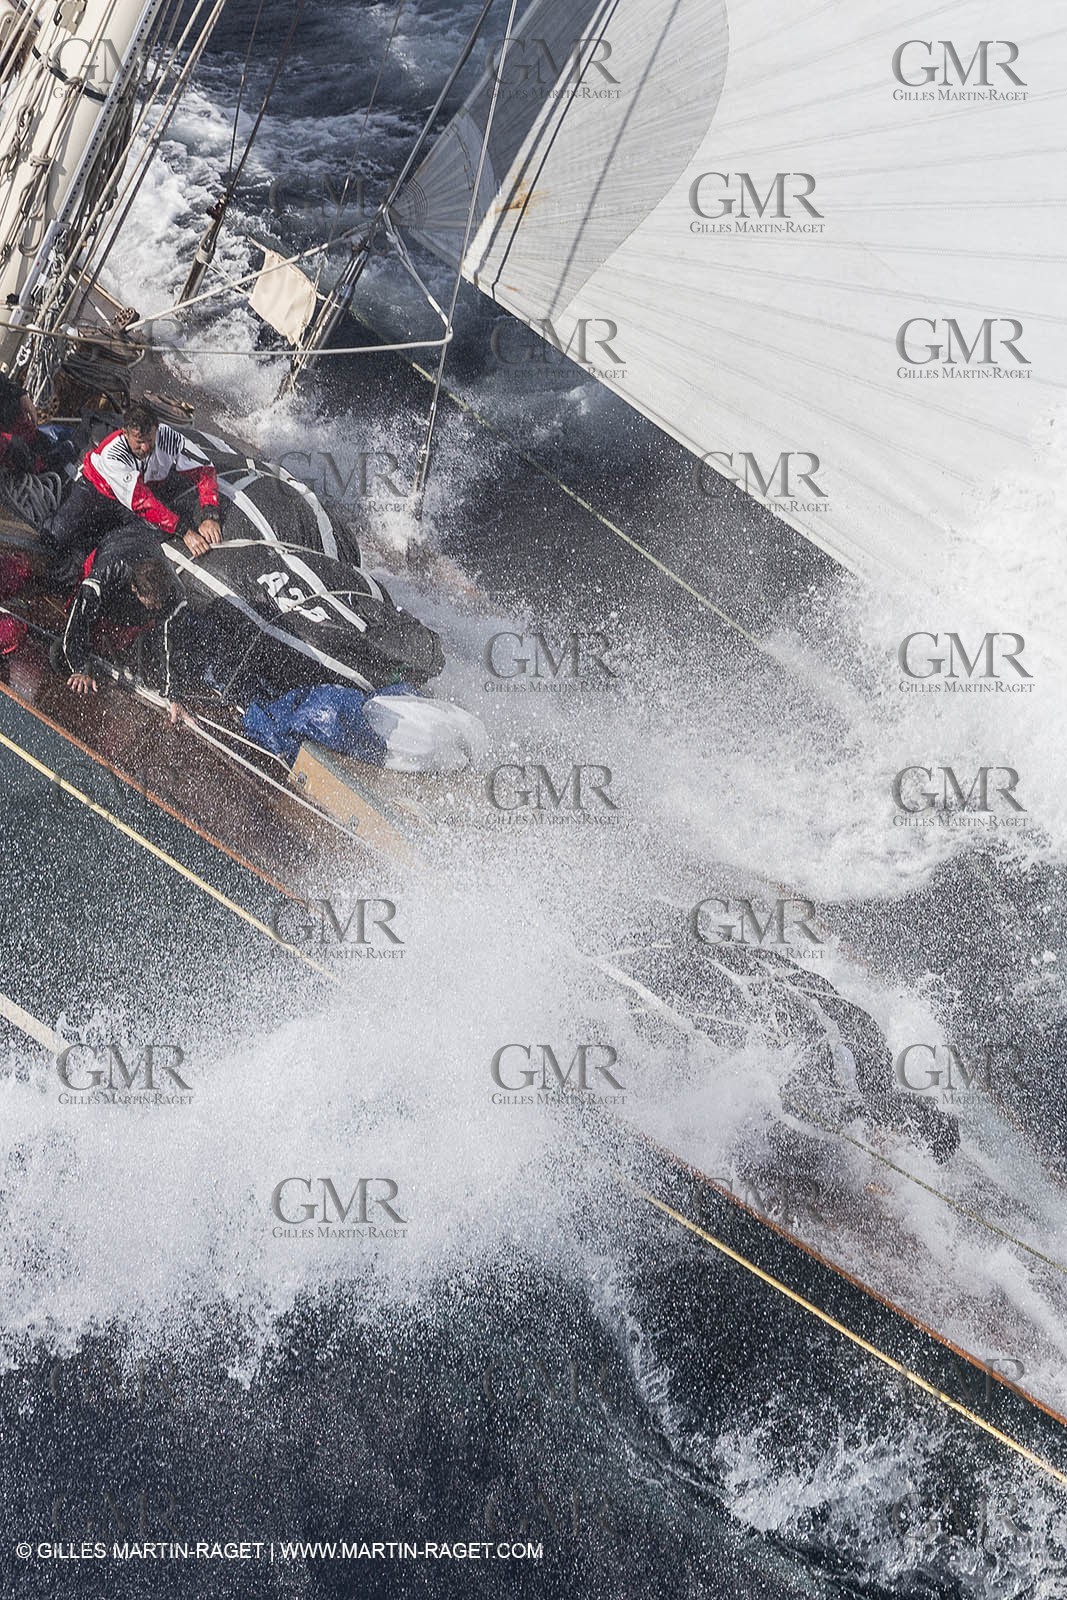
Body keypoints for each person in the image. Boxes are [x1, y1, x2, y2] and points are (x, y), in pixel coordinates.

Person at [41, 398, 222, 582]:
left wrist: (210, 513)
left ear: (157, 429)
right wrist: (185, 531)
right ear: (125, 434)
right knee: (58, 533)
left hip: (137, 495)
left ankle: (96, 558)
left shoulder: (168, 437)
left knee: (153, 530)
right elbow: (142, 502)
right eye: (139, 442)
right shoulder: (114, 454)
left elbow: (204, 468)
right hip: (97, 492)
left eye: (150, 440)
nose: (146, 448)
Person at [55, 527, 191, 723]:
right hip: (113, 545)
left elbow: (169, 644)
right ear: (135, 588)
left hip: (145, 545)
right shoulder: (107, 572)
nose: (157, 607)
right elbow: (80, 615)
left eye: (159, 604)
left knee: (144, 624)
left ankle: (120, 642)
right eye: (151, 603)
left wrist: (174, 695)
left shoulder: (175, 594)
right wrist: (80, 668)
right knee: (84, 611)